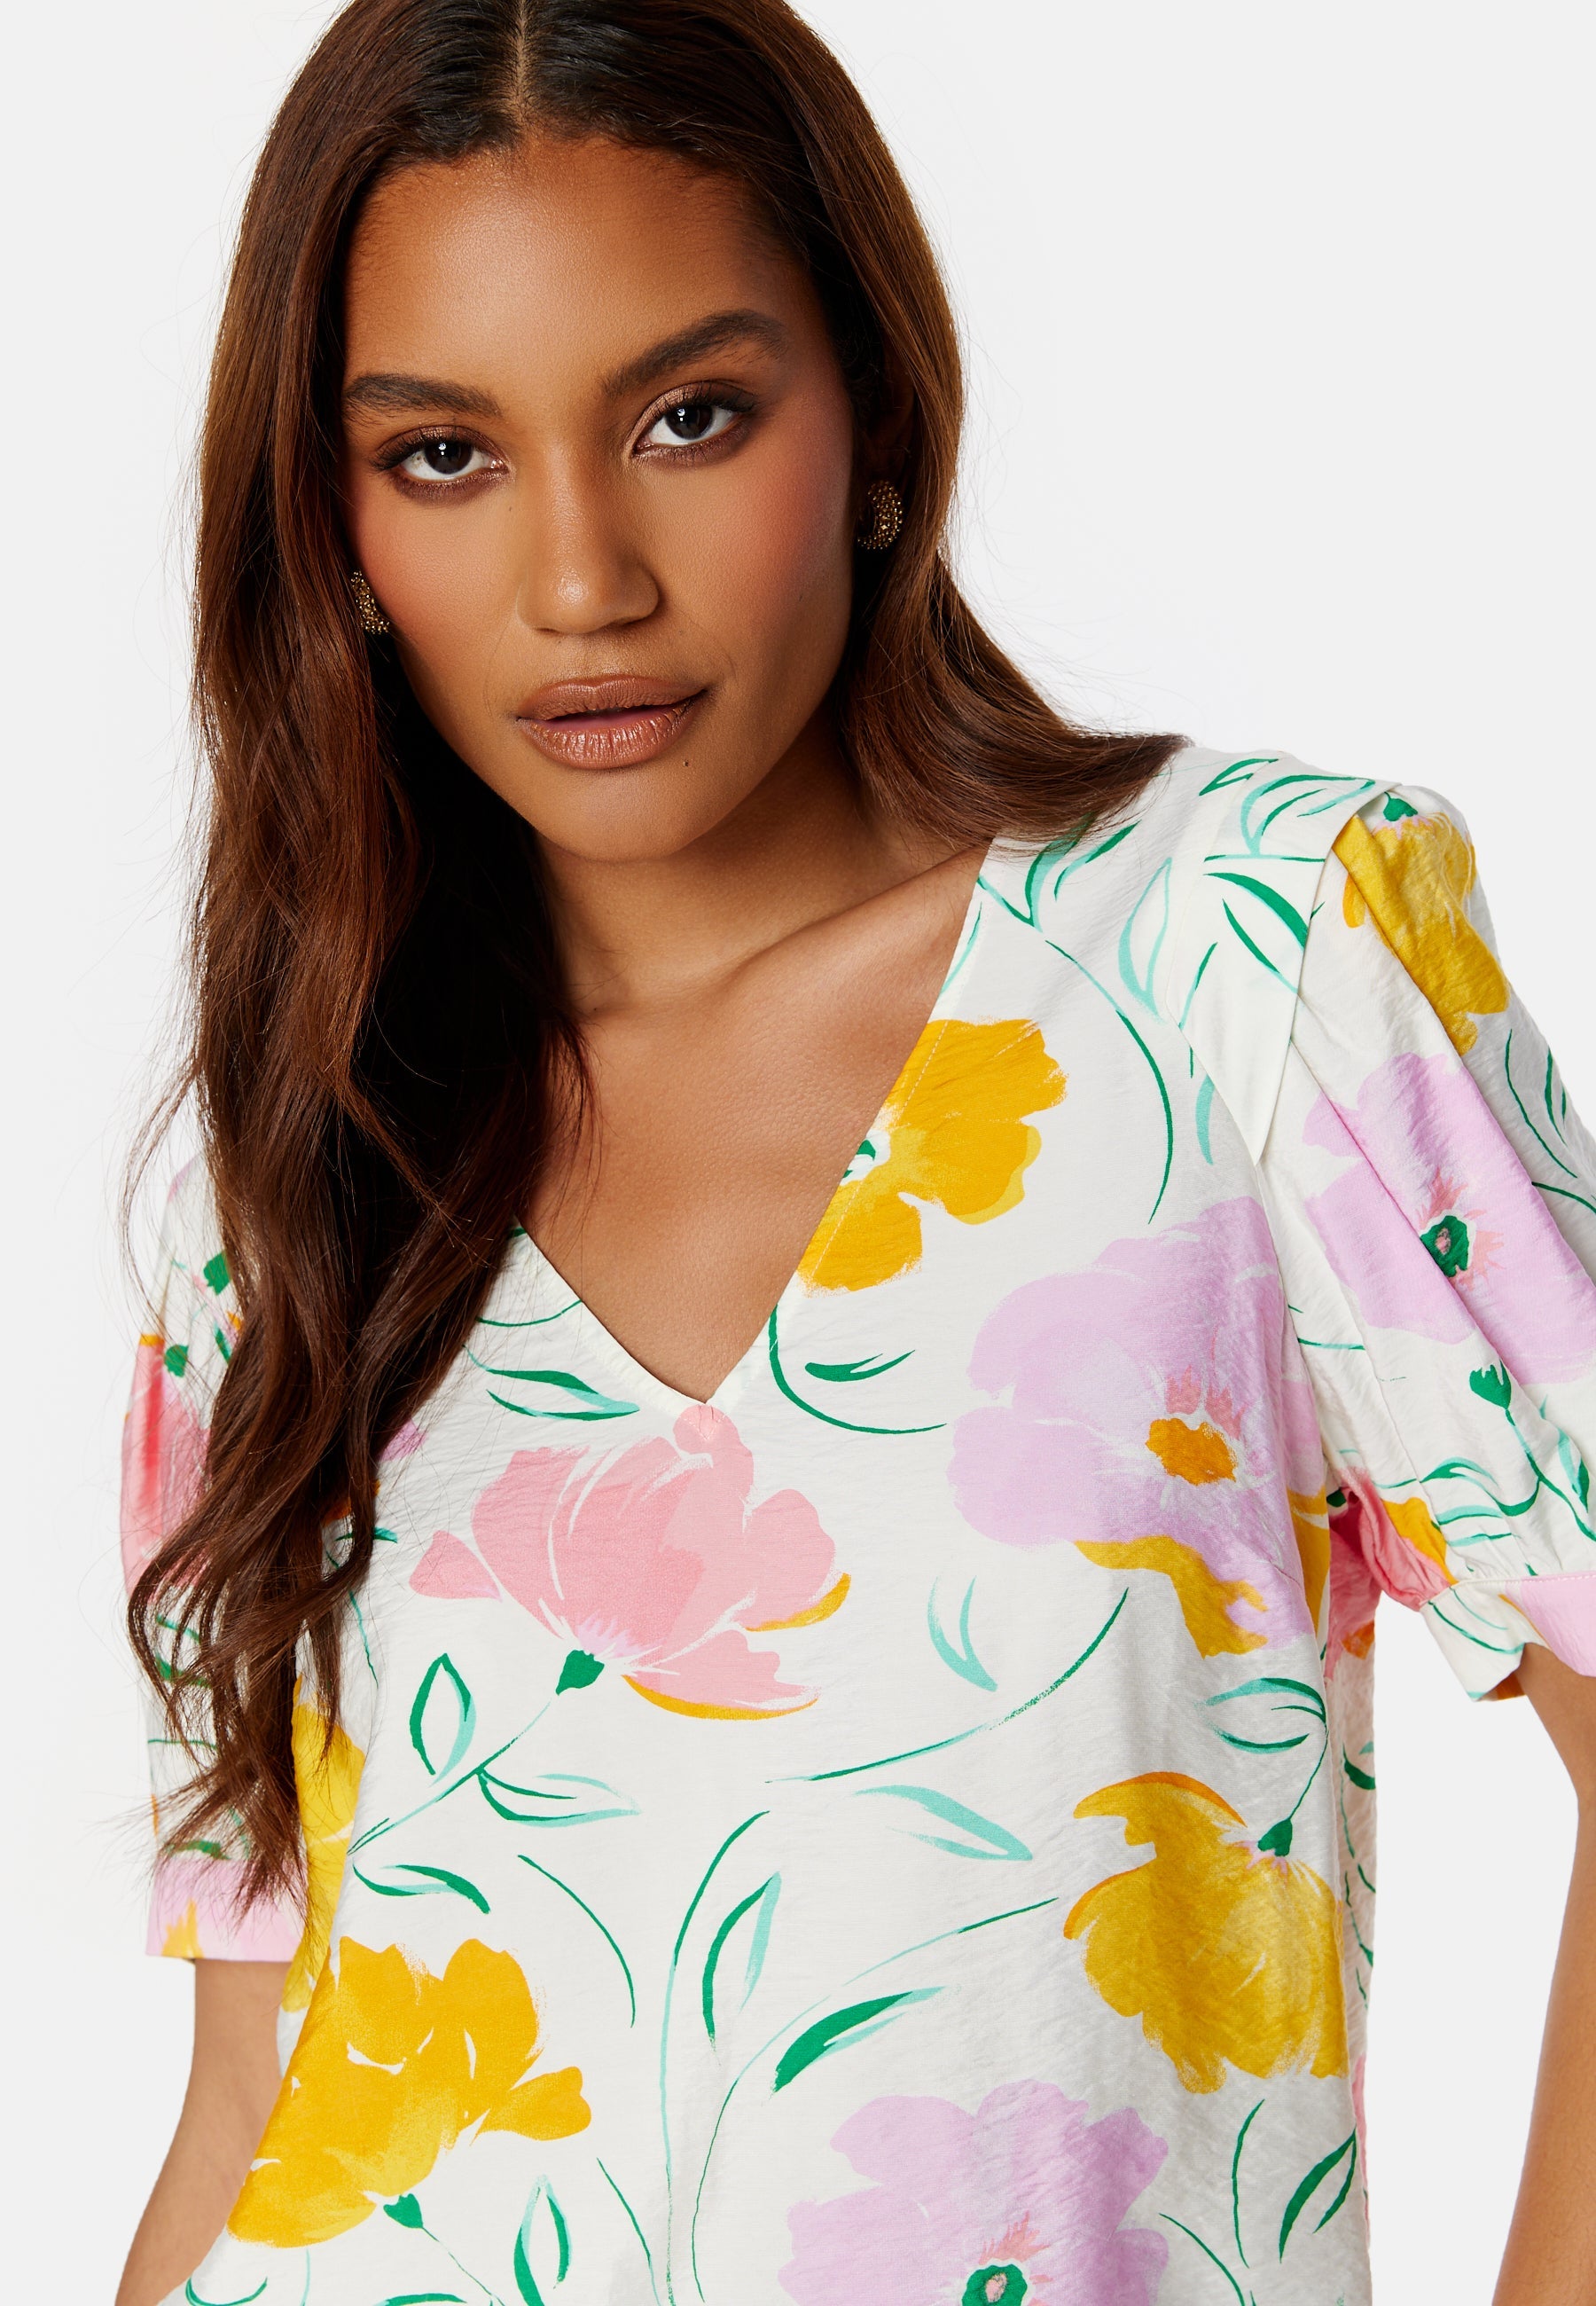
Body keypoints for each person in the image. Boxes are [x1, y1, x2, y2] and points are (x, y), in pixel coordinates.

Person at [114, 3, 1596, 2302]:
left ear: (880, 416)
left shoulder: (1250, 952)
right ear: (334, 524)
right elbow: (254, 2094)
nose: (583, 579)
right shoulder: (308, 1173)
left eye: (689, 418)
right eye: (444, 454)